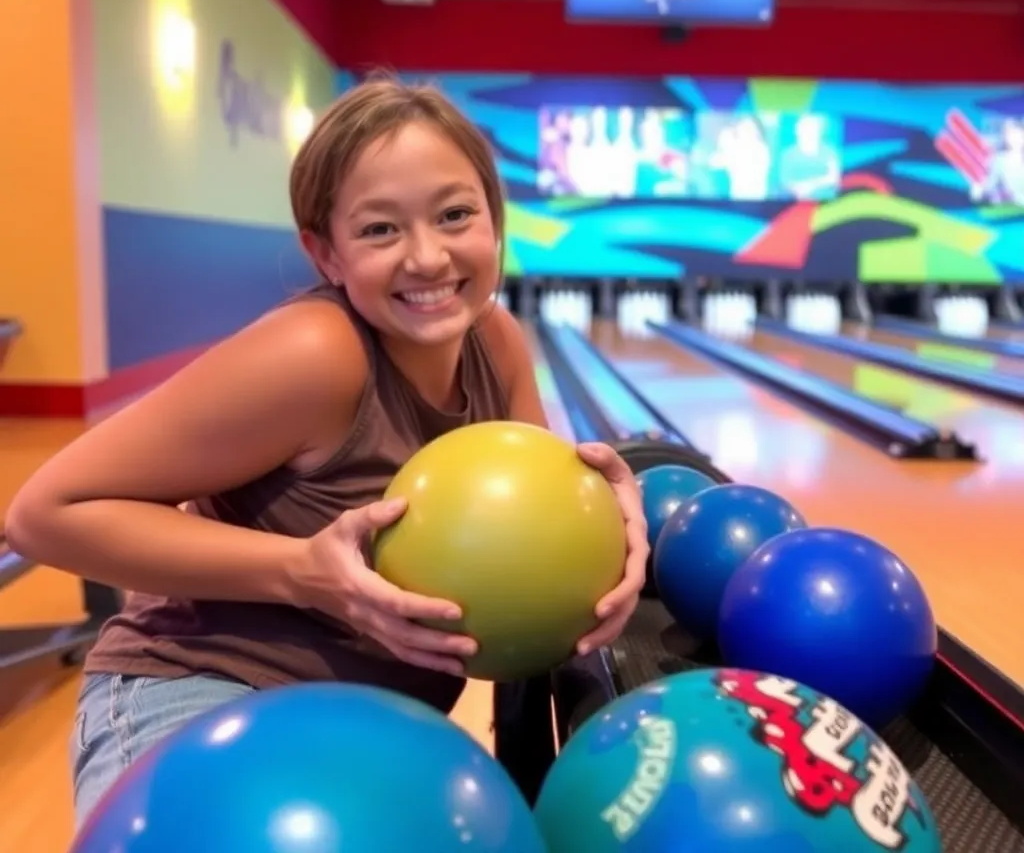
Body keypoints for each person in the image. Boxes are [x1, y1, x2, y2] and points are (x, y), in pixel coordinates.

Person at [4, 74, 649, 831]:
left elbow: (540, 541)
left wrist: (615, 533)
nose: (429, 257)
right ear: (326, 253)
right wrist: (304, 574)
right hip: (203, 692)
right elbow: (44, 513)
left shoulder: (495, 342)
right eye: (380, 230)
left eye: (455, 214)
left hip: (365, 725)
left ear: (495, 221)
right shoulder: (317, 355)